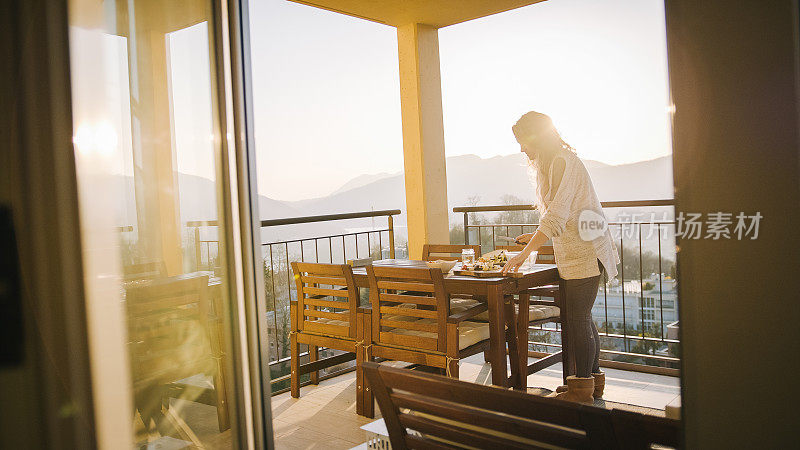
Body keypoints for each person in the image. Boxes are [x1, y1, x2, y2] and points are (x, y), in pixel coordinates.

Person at [501, 111, 620, 404]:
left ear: (536, 137)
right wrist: (534, 237)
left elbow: (556, 214)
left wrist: (525, 253)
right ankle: (590, 383)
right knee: (583, 317)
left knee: (578, 318)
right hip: (583, 250)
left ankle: (583, 389)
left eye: (522, 141)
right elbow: (559, 214)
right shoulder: (558, 160)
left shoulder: (561, 162)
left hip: (587, 252)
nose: (521, 148)